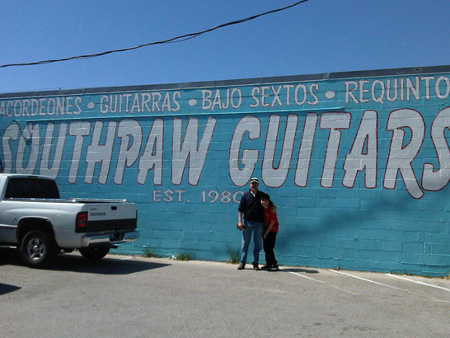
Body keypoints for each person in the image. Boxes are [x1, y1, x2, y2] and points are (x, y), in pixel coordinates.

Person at [237, 177, 267, 270]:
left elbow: (269, 205)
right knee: (245, 244)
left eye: (255, 184)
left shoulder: (262, 195)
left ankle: (255, 264)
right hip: (248, 223)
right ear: (250, 185)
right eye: (252, 184)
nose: (254, 185)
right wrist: (239, 221)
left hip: (259, 223)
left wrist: (273, 207)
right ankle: (242, 263)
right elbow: (240, 210)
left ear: (258, 185)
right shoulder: (245, 196)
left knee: (257, 244)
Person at [261, 194, 279, 271]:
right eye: (262, 200)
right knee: (266, 247)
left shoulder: (271, 209)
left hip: (272, 230)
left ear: (268, 201)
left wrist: (266, 233)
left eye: (265, 201)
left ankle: (274, 263)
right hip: (266, 229)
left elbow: (272, 222)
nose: (263, 202)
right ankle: (269, 263)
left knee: (269, 247)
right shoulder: (262, 209)